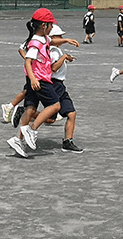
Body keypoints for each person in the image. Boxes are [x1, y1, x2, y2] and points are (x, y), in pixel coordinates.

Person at [7, 8, 61, 158]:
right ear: (44, 26)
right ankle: (32, 129)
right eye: (51, 25)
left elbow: (53, 40)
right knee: (55, 105)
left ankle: (18, 140)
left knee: (30, 109)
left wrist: (67, 40)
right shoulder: (35, 42)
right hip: (39, 79)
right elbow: (28, 61)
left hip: (37, 78)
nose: (52, 28)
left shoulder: (44, 39)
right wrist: (33, 79)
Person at [48, 25, 83, 153]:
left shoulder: (56, 50)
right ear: (52, 37)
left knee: (71, 113)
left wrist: (66, 59)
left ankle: (68, 141)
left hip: (60, 86)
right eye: (59, 36)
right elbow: (53, 68)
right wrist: (64, 58)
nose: (62, 38)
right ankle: (26, 114)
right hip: (53, 85)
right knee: (50, 119)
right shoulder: (52, 50)